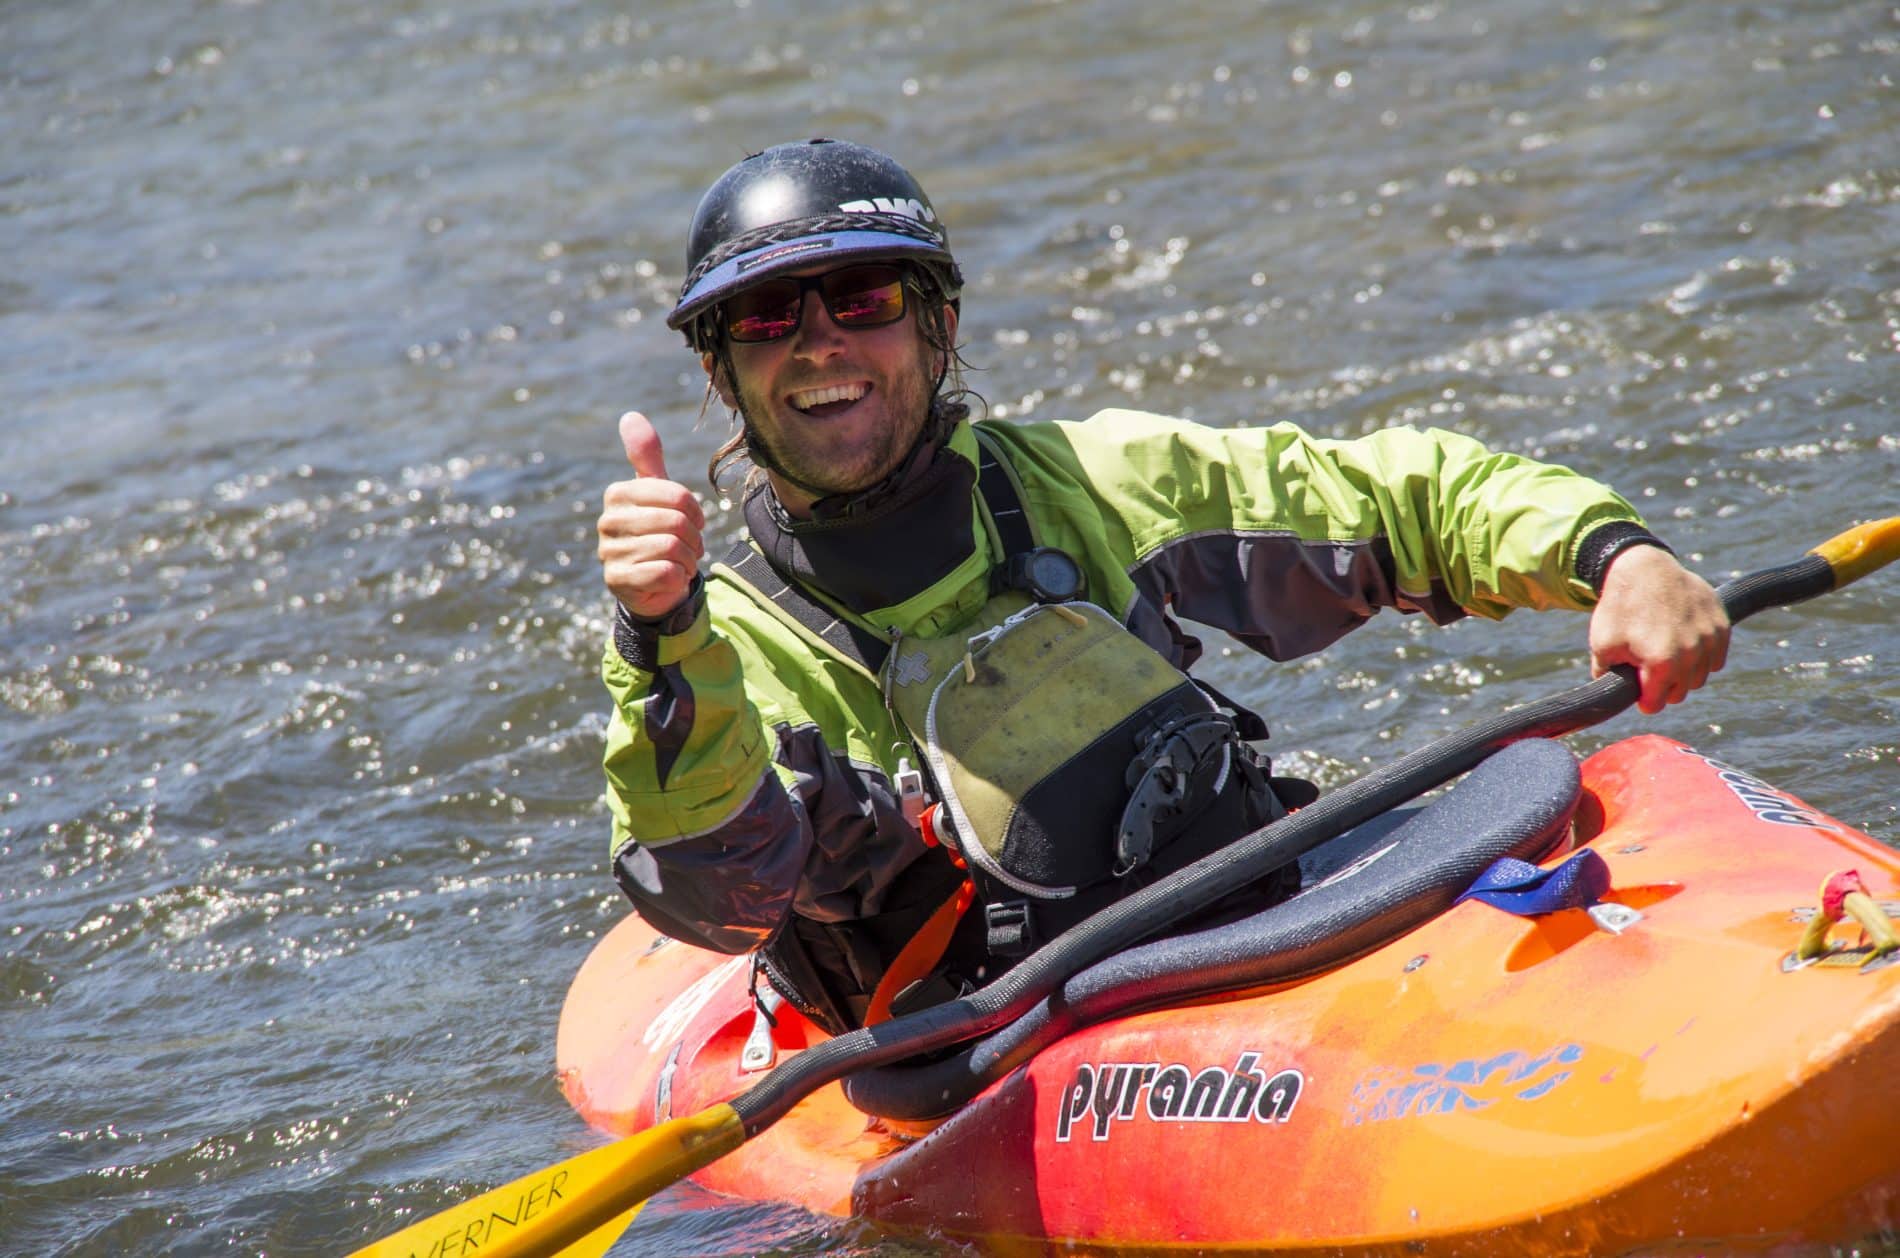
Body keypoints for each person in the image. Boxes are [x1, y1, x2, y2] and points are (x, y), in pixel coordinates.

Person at [595, 138, 1730, 1034]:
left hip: (1233, 906)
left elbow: (1390, 502)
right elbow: (717, 895)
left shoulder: (1084, 483)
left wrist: (1612, 551)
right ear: (721, 370)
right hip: (990, 1034)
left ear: (938, 324)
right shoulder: (708, 632)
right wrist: (660, 634)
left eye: (862, 300)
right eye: (763, 317)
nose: (818, 344)